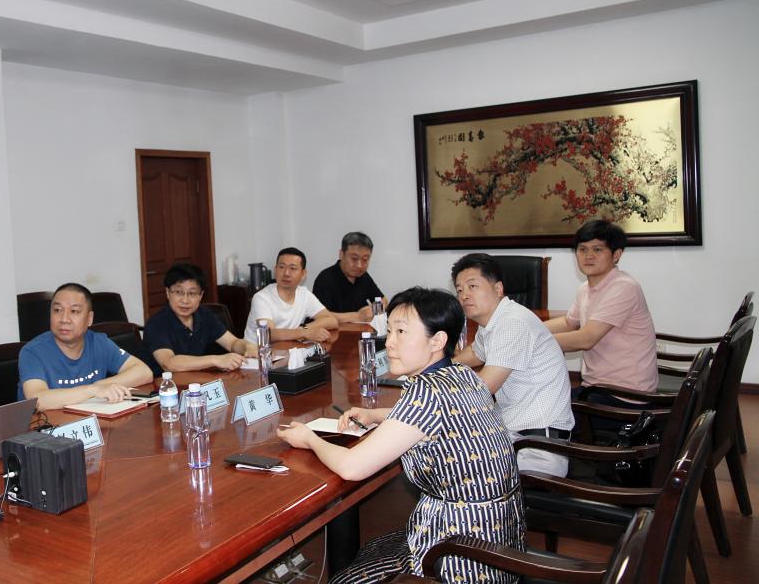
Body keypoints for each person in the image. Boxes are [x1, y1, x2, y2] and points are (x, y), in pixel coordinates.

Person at [278, 287, 524, 582]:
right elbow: (437, 417)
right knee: (372, 549)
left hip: (460, 558)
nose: (389, 342)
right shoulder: (461, 374)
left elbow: (352, 467)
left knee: (347, 578)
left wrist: (309, 438)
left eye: (402, 332)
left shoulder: (426, 391)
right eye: (390, 330)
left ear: (437, 341)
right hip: (499, 540)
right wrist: (375, 414)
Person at [452, 253, 574, 476]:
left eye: (472, 286)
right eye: (459, 290)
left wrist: (436, 391)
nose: (464, 296)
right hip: (514, 433)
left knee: (453, 464)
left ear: (498, 289)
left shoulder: (512, 323)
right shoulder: (495, 320)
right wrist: (442, 367)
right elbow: (476, 353)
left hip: (536, 447)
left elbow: (482, 388)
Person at [544, 220, 658, 412]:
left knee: (542, 413)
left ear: (616, 254)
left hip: (625, 398)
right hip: (596, 388)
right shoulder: (585, 289)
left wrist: (532, 340)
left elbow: (586, 339)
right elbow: (568, 322)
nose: (588, 256)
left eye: (597, 249)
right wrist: (526, 328)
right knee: (539, 402)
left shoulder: (623, 287)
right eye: (582, 249)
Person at [18, 282, 152, 411]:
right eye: (57, 310)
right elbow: (37, 400)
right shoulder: (33, 352)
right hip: (47, 424)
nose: (64, 319)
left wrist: (100, 386)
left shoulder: (98, 342)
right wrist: (91, 390)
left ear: (89, 318)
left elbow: (144, 372)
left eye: (74, 311)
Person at [143, 263, 258, 373]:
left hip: (193, 380)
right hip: (163, 384)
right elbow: (169, 363)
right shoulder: (156, 324)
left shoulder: (204, 315)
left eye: (192, 293)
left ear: (201, 295)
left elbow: (232, 343)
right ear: (168, 293)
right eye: (179, 292)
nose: (185, 300)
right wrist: (215, 360)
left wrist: (247, 346)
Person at [243, 247, 338, 342]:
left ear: (303, 274)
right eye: (281, 267)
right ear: (275, 270)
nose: (286, 273)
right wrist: (304, 333)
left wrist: (303, 328)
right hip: (256, 350)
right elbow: (269, 334)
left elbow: (331, 320)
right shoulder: (261, 297)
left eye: (293, 268)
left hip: (287, 348)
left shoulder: (304, 294)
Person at [311, 232, 387, 323]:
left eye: (365, 259)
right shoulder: (325, 278)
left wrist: (373, 311)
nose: (359, 265)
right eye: (354, 258)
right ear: (341, 254)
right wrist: (358, 316)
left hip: (359, 330)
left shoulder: (363, 276)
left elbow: (384, 301)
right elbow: (319, 315)